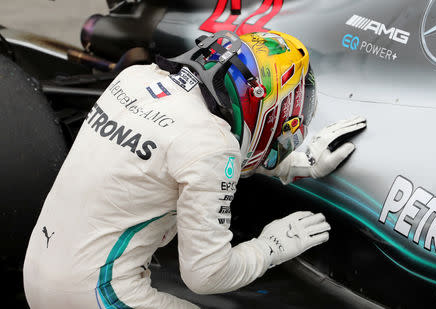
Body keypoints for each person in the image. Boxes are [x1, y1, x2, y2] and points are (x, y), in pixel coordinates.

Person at [23, 30, 366, 309]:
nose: (292, 121)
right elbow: (208, 275)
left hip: (36, 270)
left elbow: (180, 154)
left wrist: (293, 167)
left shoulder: (135, 79)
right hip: (95, 295)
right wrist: (270, 247)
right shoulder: (211, 144)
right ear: (260, 96)